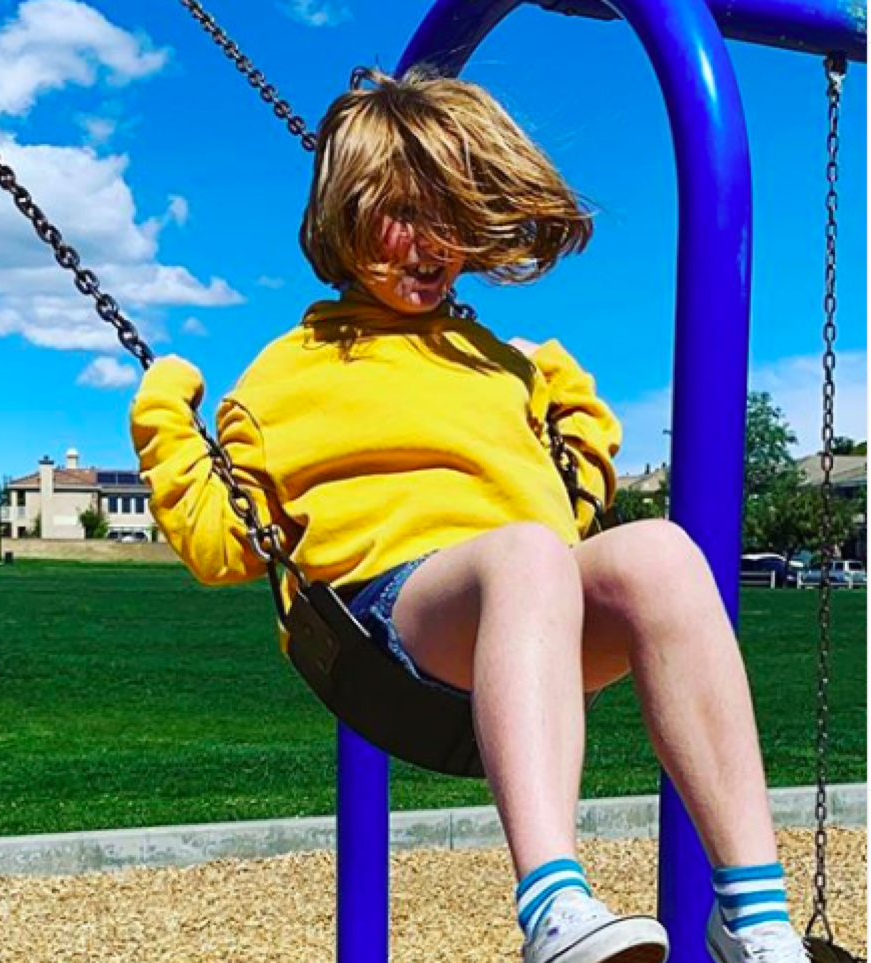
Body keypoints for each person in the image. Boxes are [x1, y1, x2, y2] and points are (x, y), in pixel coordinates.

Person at [130, 68, 808, 963]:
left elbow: (574, 500)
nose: (431, 244)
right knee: (525, 555)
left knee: (663, 553)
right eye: (403, 214)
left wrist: (560, 384)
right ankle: (553, 902)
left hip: (540, 614)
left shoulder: (497, 362)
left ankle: (753, 915)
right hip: (394, 621)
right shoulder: (284, 378)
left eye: (451, 216)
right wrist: (165, 416)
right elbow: (223, 544)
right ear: (344, 213)